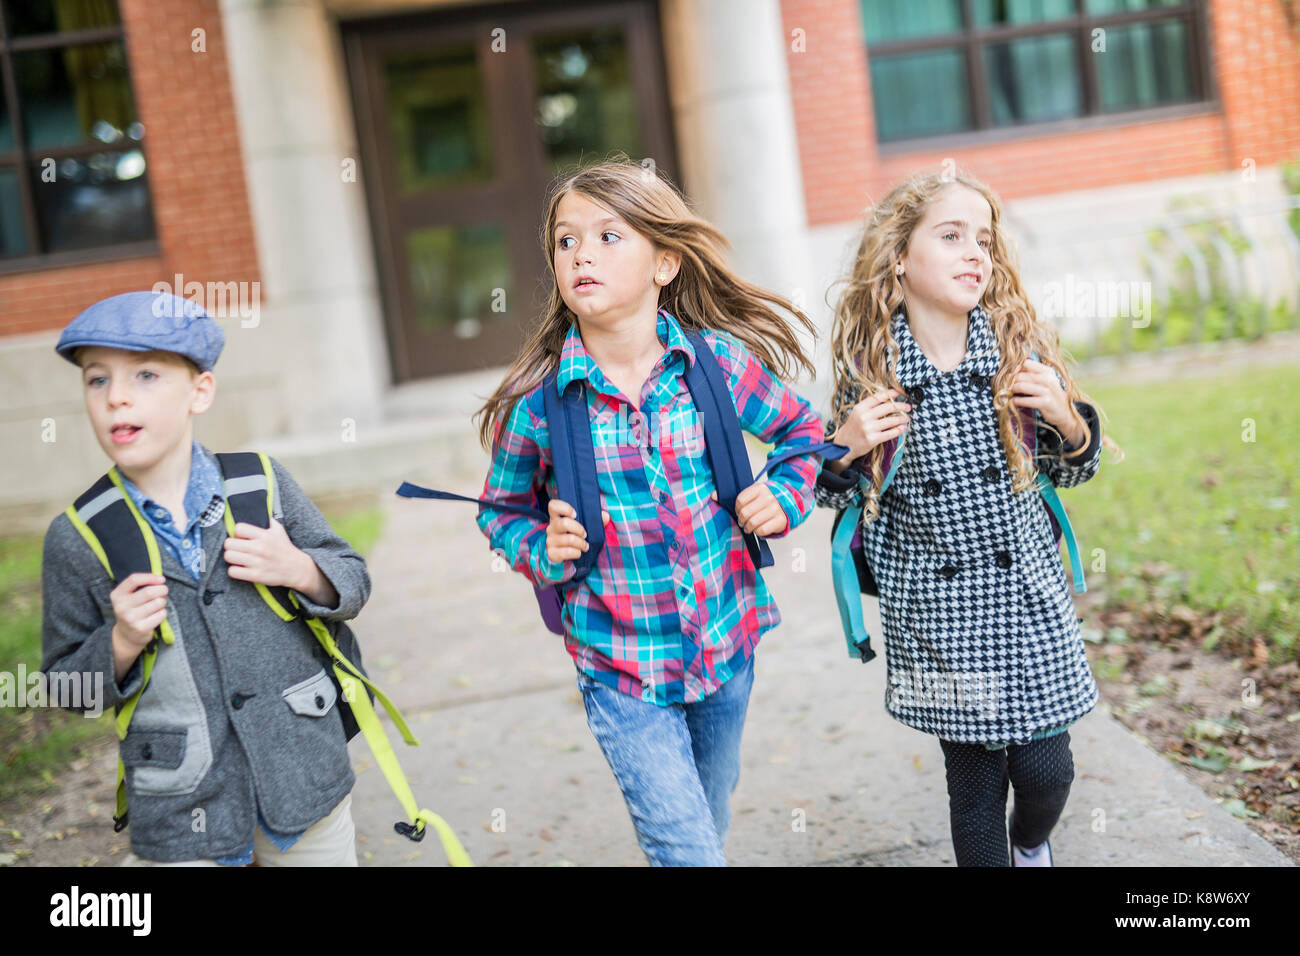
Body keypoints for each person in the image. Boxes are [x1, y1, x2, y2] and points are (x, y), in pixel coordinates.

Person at [473, 159, 825, 866]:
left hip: (726, 643)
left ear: (665, 262)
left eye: (608, 237)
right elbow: (499, 511)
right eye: (566, 242)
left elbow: (803, 436)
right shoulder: (541, 403)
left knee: (708, 810)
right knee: (685, 846)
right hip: (619, 662)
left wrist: (783, 497)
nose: (581, 255)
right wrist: (544, 546)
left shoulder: (715, 366)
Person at [814, 169, 1118, 867]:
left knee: (1048, 773)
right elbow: (829, 497)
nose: (974, 252)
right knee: (974, 790)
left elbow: (1074, 469)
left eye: (984, 238)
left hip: (1028, 603)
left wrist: (1066, 420)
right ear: (899, 256)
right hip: (937, 618)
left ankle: (1033, 843)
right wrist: (846, 446)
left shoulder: (1017, 358)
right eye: (951, 236)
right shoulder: (872, 377)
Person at [40, 290, 370, 866]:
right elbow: (64, 688)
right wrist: (118, 644)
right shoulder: (78, 537)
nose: (116, 397)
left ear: (201, 391)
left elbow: (353, 580)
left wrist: (300, 569)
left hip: (304, 780)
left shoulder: (259, 485)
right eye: (97, 380)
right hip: (181, 810)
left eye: (144, 375)